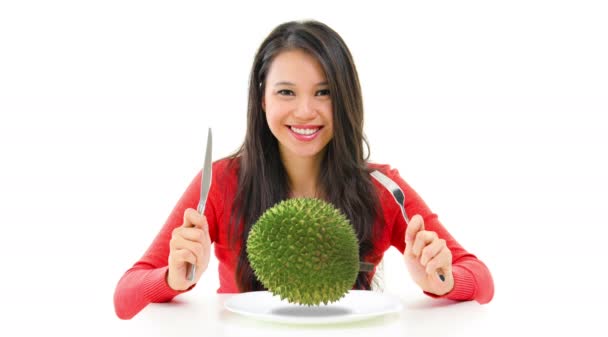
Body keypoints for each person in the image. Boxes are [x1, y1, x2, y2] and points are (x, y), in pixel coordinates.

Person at [113, 20, 494, 320]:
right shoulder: (221, 182)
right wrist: (172, 279)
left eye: (324, 92)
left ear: (345, 98)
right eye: (286, 92)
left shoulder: (381, 187)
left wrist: (441, 280)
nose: (306, 111)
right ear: (261, 99)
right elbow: (125, 295)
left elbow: (481, 280)